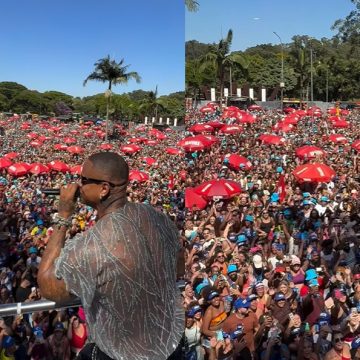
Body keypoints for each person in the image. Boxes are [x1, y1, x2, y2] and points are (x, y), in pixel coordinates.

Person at [38, 152, 184, 360]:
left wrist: (63, 214)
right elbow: (179, 267)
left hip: (121, 352)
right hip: (170, 343)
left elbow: (48, 284)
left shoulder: (94, 244)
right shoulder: (158, 218)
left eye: (84, 180)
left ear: (104, 189)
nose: (78, 186)